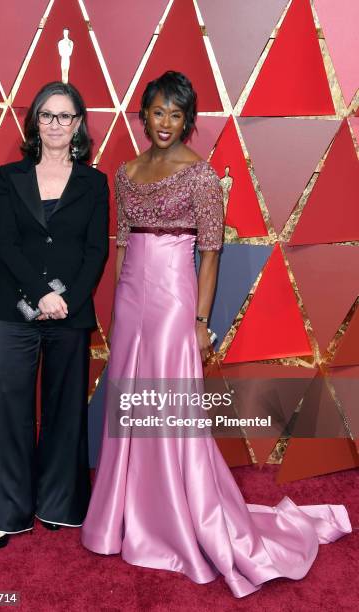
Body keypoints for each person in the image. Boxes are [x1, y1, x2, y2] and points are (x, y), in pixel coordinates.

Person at [81, 72, 351, 597]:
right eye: (158, 112)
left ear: (187, 121)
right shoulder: (125, 172)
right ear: (145, 113)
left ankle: (175, 516)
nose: (166, 123)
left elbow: (211, 254)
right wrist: (116, 312)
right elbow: (120, 247)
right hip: (133, 298)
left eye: (176, 115)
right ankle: (124, 511)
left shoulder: (201, 177)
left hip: (174, 298)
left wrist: (200, 322)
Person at [0, 81, 109, 550]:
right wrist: (41, 295)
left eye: (66, 116)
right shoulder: (9, 177)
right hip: (15, 310)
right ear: (36, 120)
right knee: (13, 411)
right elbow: (7, 244)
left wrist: (68, 300)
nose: (56, 124)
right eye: (48, 115)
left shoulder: (95, 182)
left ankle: (58, 504)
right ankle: (6, 515)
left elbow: (96, 250)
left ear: (78, 124)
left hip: (71, 313)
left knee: (64, 409)